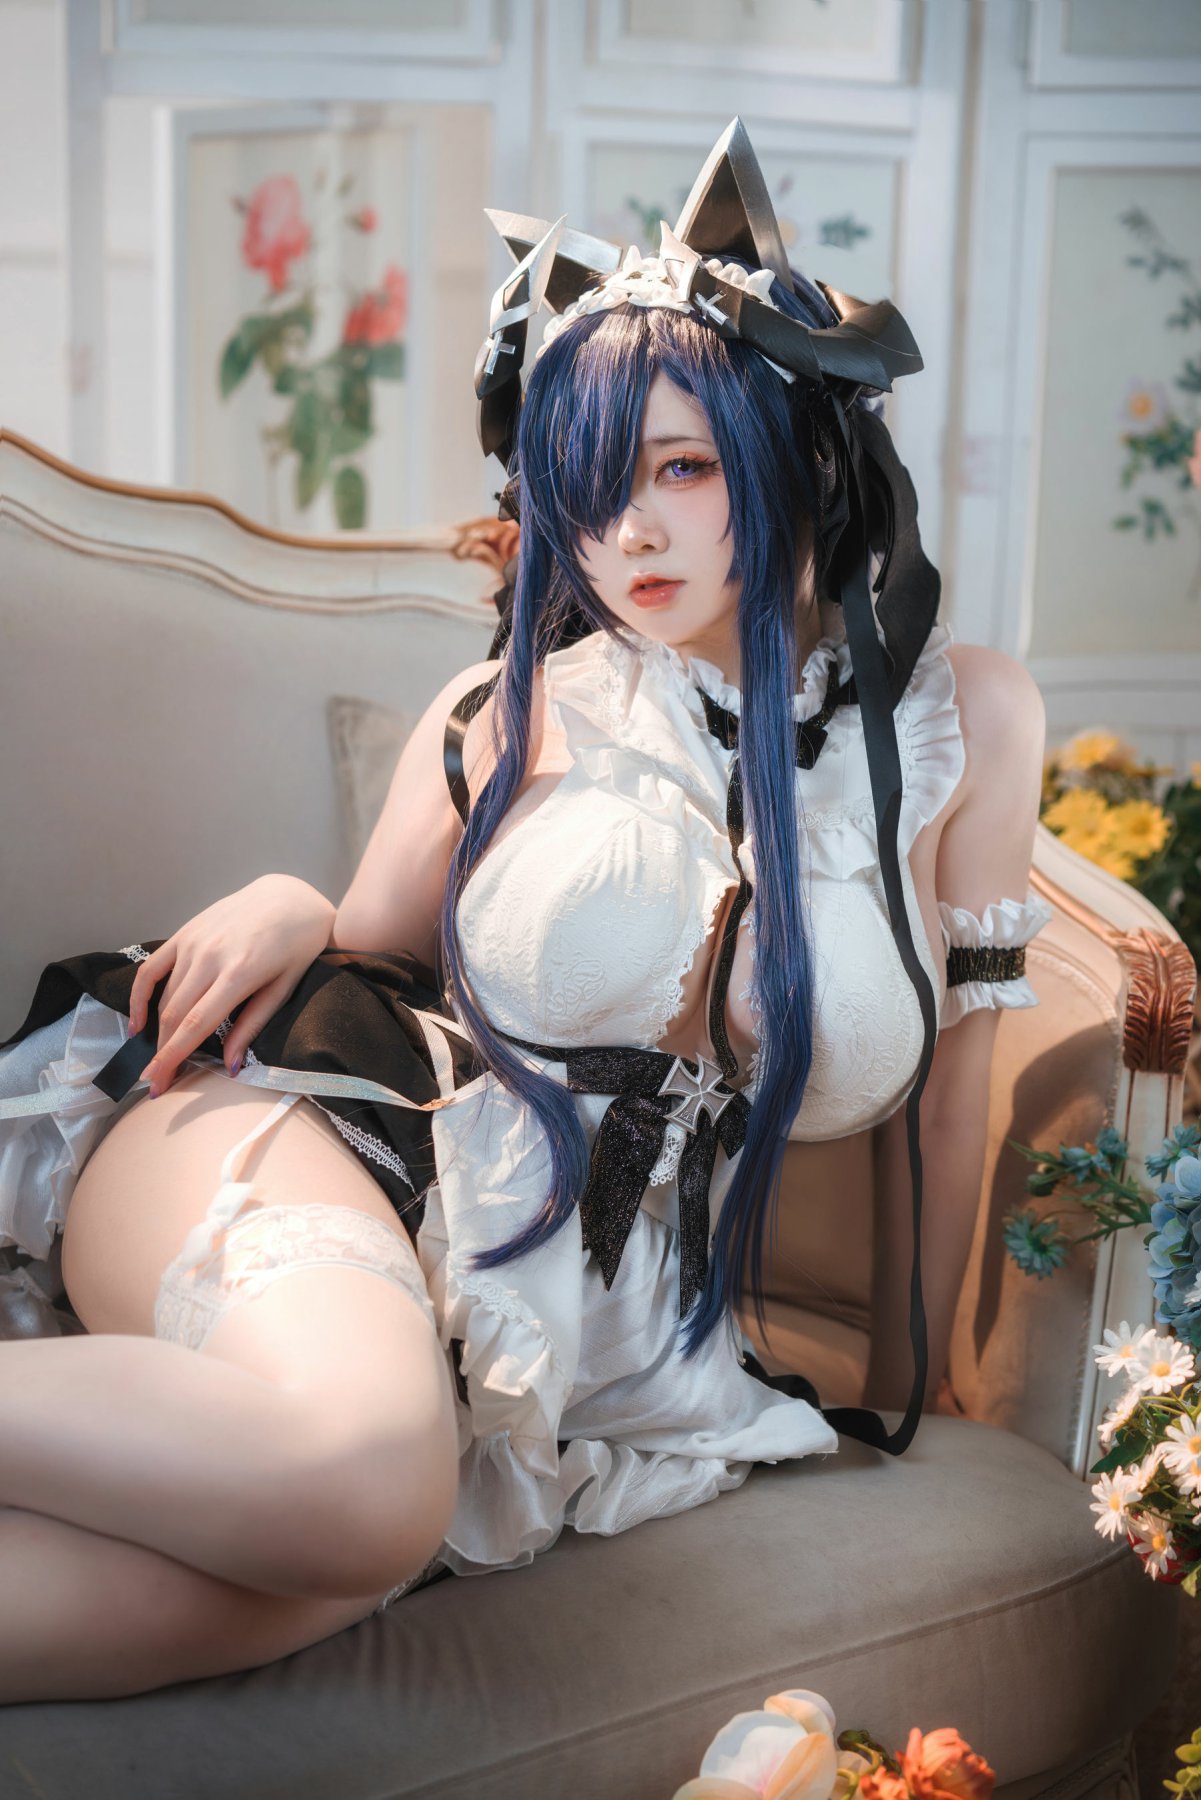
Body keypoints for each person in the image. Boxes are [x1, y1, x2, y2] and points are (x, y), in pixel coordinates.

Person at [0, 120, 1052, 1705]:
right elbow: (365, 941)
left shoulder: (960, 724)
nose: (627, 532)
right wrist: (287, 894)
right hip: (295, 1115)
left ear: (791, 455)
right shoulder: (511, 707)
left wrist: (936, 1393)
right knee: (365, 1482)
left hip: (542, 1322)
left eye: (681, 467)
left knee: (306, 1572)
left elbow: (950, 1099)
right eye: (586, 486)